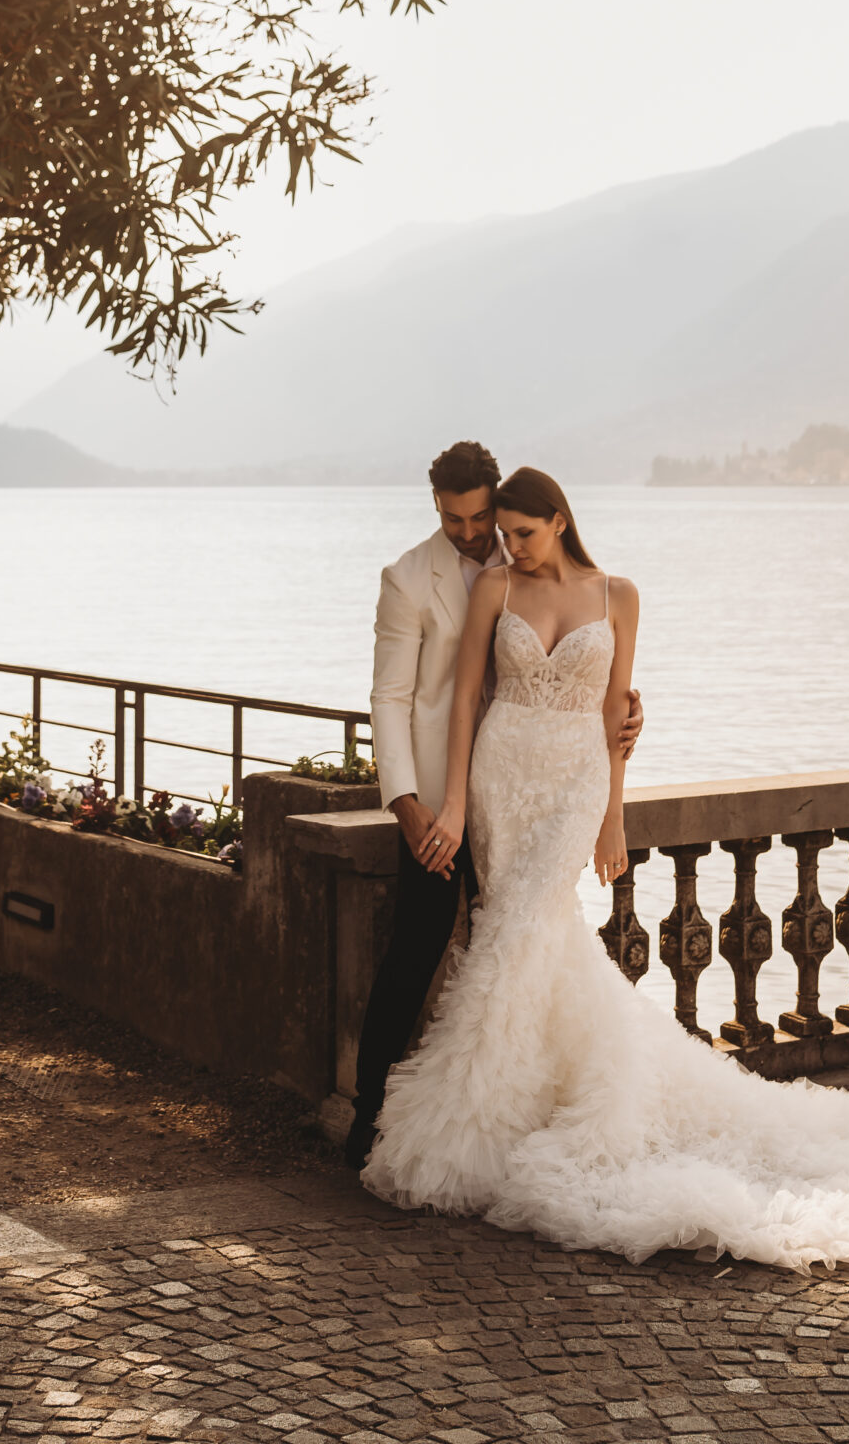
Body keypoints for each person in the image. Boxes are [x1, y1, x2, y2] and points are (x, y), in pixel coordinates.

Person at [362, 465, 849, 1271]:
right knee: (518, 935)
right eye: (500, 534)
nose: (505, 547)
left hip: (574, 784)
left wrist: (612, 812)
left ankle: (493, 1119)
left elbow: (617, 710)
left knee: (523, 929)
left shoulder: (618, 595)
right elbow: (463, 697)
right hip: (500, 777)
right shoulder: (492, 590)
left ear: (557, 520)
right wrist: (449, 806)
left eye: (520, 532)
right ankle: (508, 1109)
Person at [345, 440, 643, 1169]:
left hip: (544, 782)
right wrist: (410, 805)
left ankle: (521, 1111)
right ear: (437, 509)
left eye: (484, 520)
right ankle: (367, 1113)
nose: (475, 535)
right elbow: (390, 698)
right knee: (418, 947)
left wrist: (626, 719)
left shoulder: (538, 569)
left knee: (520, 942)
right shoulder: (410, 579)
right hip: (454, 791)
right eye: (457, 521)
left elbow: (599, 684)